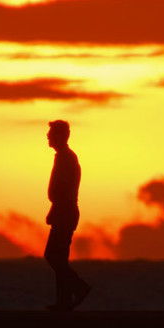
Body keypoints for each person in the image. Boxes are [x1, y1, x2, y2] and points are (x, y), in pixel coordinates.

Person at [44, 119, 93, 310]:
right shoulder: (64, 157)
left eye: (51, 133)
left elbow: (63, 190)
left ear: (61, 136)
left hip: (65, 212)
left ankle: (79, 287)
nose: (48, 136)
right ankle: (64, 301)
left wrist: (56, 209)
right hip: (63, 211)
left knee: (52, 256)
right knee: (59, 258)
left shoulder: (66, 158)